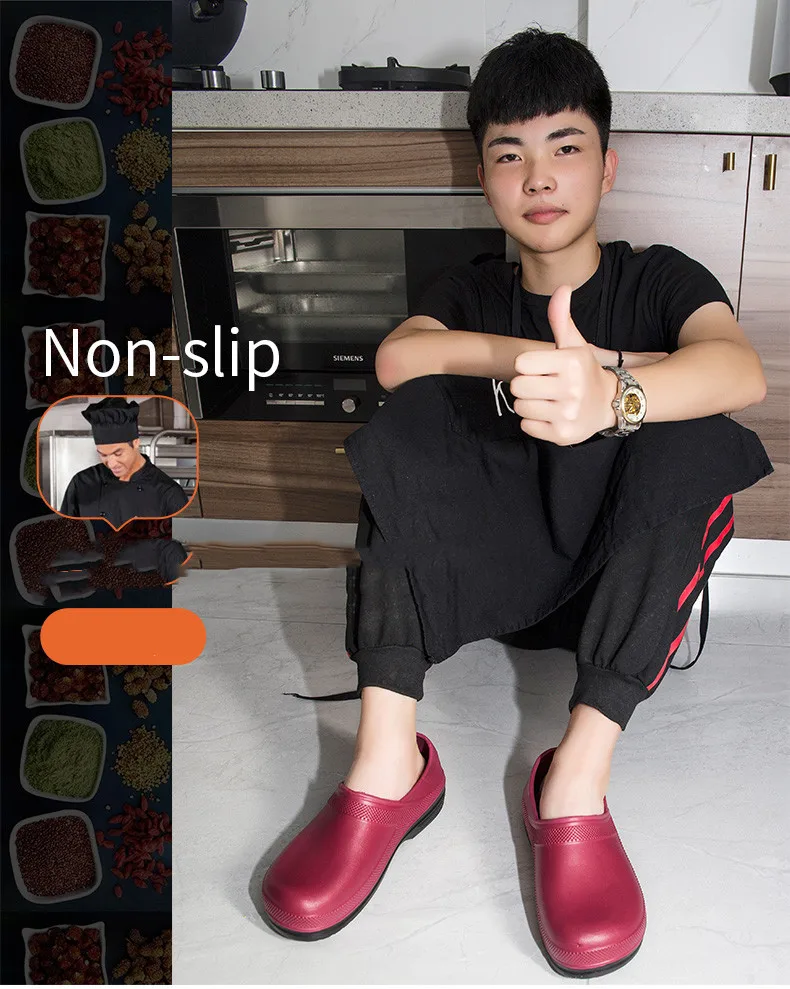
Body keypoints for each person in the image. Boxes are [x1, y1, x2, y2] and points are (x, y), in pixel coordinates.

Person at [260, 29, 772, 978]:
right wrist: (543, 361)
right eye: (510, 154)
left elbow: (739, 372)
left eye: (565, 146)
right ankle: (389, 766)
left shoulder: (661, 277)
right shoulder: (472, 288)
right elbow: (400, 357)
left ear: (607, 166)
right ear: (485, 178)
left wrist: (613, 392)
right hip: (486, 581)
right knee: (409, 416)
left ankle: (573, 780)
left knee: (700, 431)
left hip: (613, 595)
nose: (539, 176)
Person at [59, 397, 189, 527]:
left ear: (136, 443)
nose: (111, 464)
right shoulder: (82, 483)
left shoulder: (168, 493)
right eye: (103, 455)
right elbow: (65, 532)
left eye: (118, 454)